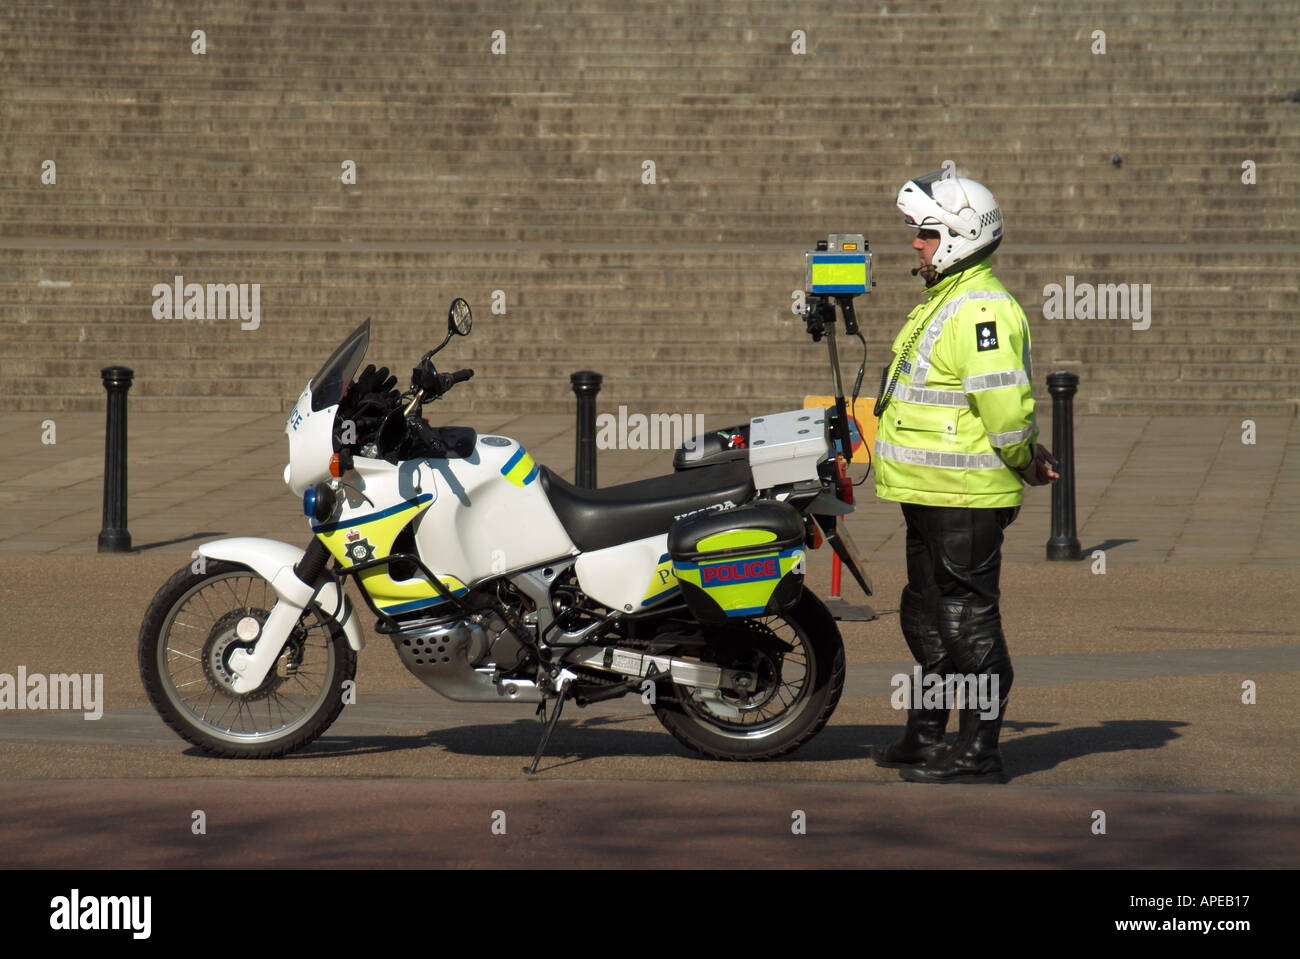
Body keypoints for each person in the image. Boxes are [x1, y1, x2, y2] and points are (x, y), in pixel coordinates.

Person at [869, 170, 1058, 784]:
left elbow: (1004, 408)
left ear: (959, 235)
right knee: (924, 615)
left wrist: (1026, 457)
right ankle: (926, 738)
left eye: (925, 233)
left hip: (965, 497)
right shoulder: (947, 298)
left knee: (967, 622)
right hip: (928, 493)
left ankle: (981, 751)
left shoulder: (980, 308)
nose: (915, 245)